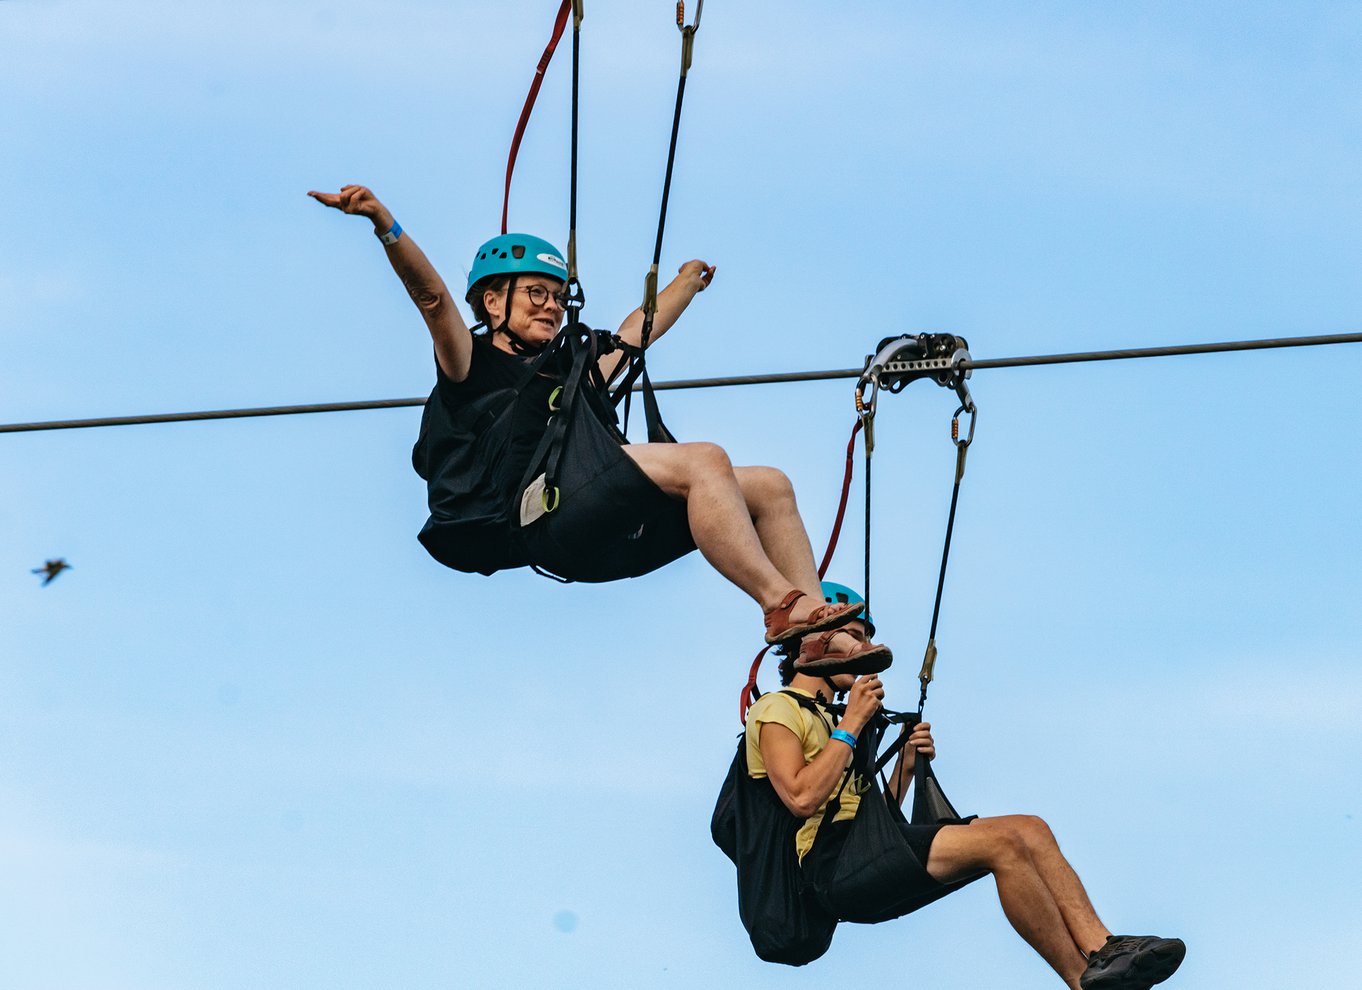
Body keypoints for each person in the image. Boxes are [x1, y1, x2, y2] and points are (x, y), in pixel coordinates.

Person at [309, 184, 891, 673]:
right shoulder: (470, 365)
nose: (551, 307)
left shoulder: (569, 372)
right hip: (541, 517)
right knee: (703, 459)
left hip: (600, 534)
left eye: (559, 298)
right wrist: (385, 224)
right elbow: (433, 301)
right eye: (535, 293)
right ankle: (777, 603)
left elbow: (634, 333)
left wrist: (686, 282)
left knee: (770, 485)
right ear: (491, 303)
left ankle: (818, 638)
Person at [746, 584, 1186, 989]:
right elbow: (802, 797)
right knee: (1002, 844)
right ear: (811, 642)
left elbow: (865, 813)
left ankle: (1103, 948)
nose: (863, 652)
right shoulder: (778, 709)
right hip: (829, 868)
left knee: (1029, 829)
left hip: (860, 851)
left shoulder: (834, 718)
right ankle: (1080, 981)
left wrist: (905, 767)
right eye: (851, 639)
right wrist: (853, 725)